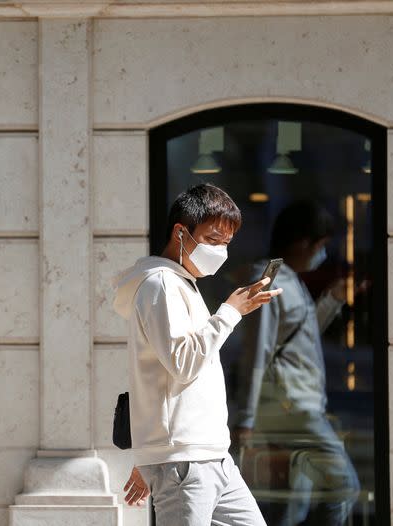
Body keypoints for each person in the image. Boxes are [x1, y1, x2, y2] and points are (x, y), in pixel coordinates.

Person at [113, 183, 282, 526]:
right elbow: (183, 362)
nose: (220, 251)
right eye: (212, 240)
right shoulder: (159, 284)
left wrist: (151, 457)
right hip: (185, 462)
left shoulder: (180, 284)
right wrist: (231, 312)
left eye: (226, 244)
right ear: (181, 233)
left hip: (211, 456)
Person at [233, 200, 361, 526]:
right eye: (320, 246)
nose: (321, 254)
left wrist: (332, 300)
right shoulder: (270, 278)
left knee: (294, 506)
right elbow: (257, 350)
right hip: (293, 410)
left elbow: (297, 336)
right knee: (344, 487)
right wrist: (246, 419)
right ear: (302, 242)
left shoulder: (286, 276)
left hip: (298, 406)